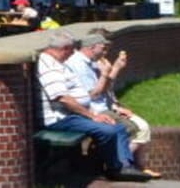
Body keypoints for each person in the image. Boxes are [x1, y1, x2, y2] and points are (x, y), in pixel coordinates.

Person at [37, 30, 153, 182]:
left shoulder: (60, 63)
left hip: (74, 114)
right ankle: (113, 168)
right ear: (64, 48)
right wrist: (93, 116)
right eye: (71, 50)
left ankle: (123, 166)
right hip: (60, 119)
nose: (73, 54)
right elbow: (62, 98)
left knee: (118, 127)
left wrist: (95, 113)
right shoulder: (49, 66)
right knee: (108, 130)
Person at [70, 30, 154, 173]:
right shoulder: (81, 64)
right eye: (104, 48)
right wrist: (109, 72)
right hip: (93, 109)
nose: (106, 52)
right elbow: (94, 94)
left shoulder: (92, 62)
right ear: (92, 46)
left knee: (136, 127)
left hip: (103, 106)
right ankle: (117, 165)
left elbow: (105, 90)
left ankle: (122, 164)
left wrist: (114, 69)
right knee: (132, 128)